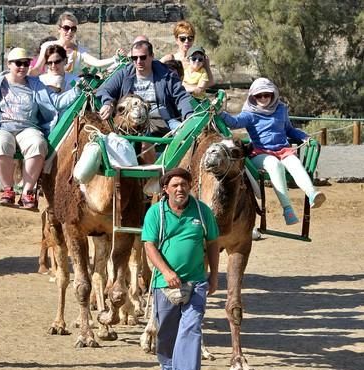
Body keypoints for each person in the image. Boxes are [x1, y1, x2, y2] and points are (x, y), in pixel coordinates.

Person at [141, 167, 219, 370]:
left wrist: (213, 275)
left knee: (192, 328)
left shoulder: (202, 212)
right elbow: (149, 245)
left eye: (184, 185)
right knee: (166, 331)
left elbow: (213, 243)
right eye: (174, 185)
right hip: (165, 285)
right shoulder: (156, 213)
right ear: (165, 189)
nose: (180, 189)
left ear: (190, 187)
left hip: (196, 282)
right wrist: (166, 272)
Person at [0, 47, 81, 209]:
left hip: (27, 127)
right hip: (2, 126)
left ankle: (27, 192)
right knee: (0, 142)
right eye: (18, 63)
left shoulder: (36, 84)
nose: (23, 67)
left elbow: (56, 102)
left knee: (37, 143)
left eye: (26, 63)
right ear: (9, 64)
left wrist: (79, 90)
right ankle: (8, 189)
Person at [219, 78, 326, 225]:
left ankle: (312, 193)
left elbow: (289, 129)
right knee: (275, 165)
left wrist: (304, 137)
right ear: (253, 97)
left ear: (273, 94)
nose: (263, 98)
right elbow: (234, 123)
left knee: (294, 163)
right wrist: (220, 112)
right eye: (259, 96)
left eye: (266, 94)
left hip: (282, 149)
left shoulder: (281, 109)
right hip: (260, 152)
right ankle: (287, 209)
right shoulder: (250, 113)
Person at [96, 38, 193, 135]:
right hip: (130, 122)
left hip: (164, 120)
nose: (138, 61)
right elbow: (104, 90)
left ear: (152, 56)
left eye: (143, 57)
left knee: (186, 135)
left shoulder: (166, 75)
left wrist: (189, 115)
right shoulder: (124, 74)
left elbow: (182, 96)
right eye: (134, 58)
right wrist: (108, 103)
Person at [29, 11, 122, 76]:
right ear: (59, 29)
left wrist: (115, 58)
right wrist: (26, 73)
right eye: (66, 28)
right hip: (50, 88)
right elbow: (37, 69)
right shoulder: (47, 46)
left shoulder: (79, 51)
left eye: (73, 29)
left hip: (71, 92)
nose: (70, 31)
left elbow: (97, 63)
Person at [160, 21, 215, 88]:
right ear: (176, 40)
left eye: (190, 38)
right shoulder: (170, 59)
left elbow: (211, 82)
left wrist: (190, 88)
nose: (187, 41)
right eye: (182, 39)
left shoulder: (200, 59)